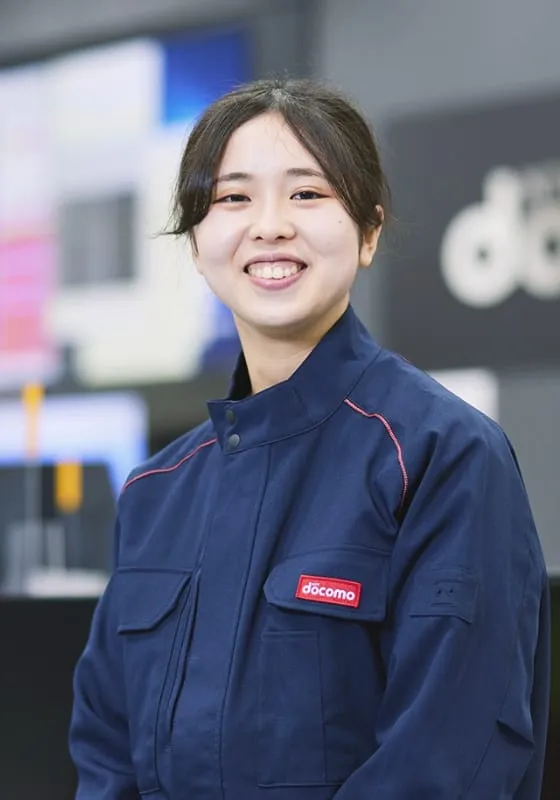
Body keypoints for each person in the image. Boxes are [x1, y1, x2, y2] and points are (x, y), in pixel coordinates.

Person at [69, 78, 550, 799]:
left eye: (307, 193)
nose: (269, 226)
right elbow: (107, 755)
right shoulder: (155, 491)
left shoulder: (442, 456)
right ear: (196, 241)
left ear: (368, 232)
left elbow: (445, 760)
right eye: (234, 198)